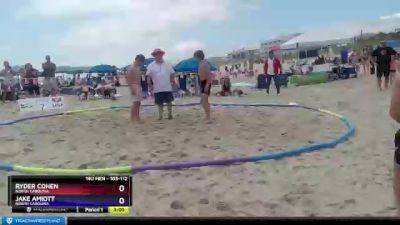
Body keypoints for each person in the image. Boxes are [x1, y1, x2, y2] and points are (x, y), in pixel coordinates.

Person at [146, 48, 175, 120]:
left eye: (159, 54)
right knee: (159, 103)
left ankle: (170, 114)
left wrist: (171, 81)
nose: (158, 56)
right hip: (157, 87)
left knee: (169, 101)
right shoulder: (151, 65)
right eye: (156, 54)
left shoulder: (168, 63)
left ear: (162, 54)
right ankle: (160, 115)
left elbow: (172, 73)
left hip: (167, 86)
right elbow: (148, 76)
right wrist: (150, 86)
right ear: (154, 56)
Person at [126, 54, 146, 122]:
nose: (141, 63)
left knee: (138, 103)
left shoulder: (137, 67)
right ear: (138, 60)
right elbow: (128, 78)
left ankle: (137, 116)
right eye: (141, 62)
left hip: (137, 85)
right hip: (134, 85)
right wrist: (131, 88)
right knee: (135, 103)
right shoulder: (131, 67)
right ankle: (132, 117)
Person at [194, 50, 212, 120]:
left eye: (195, 57)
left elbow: (209, 76)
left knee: (205, 101)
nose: (194, 59)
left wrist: (207, 85)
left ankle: (208, 116)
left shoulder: (204, 64)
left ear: (198, 57)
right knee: (202, 101)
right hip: (202, 83)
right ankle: (207, 115)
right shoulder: (200, 63)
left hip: (206, 82)